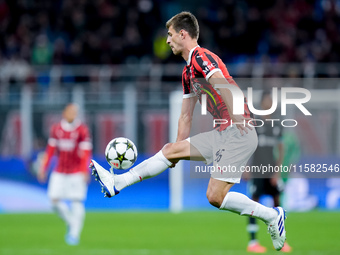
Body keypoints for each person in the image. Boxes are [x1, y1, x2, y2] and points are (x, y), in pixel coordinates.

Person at [90, 12, 287, 251]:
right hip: (223, 132)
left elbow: (221, 83)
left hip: (238, 129)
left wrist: (236, 116)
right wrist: (174, 154)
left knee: (215, 196)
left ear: (183, 34)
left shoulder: (202, 57)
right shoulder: (187, 73)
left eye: (170, 34)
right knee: (172, 152)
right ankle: (117, 182)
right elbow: (185, 116)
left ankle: (271, 216)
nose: (167, 40)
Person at [38, 103, 92, 245]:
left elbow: (86, 152)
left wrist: (84, 170)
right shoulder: (56, 129)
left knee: (77, 201)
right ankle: (72, 222)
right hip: (60, 171)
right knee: (53, 200)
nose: (72, 114)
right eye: (70, 112)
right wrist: (44, 167)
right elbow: (50, 150)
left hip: (76, 172)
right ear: (64, 113)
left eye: (75, 112)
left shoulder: (82, 130)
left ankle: (74, 235)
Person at [245, 91, 292, 253]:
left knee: (277, 203)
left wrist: (277, 172)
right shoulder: (255, 124)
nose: (268, 104)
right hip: (257, 169)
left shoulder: (277, 125)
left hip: (271, 170)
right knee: (253, 203)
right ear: (261, 104)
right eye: (266, 101)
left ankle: (281, 240)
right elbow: (248, 146)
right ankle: (253, 243)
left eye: (270, 101)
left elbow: (281, 148)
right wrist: (245, 166)